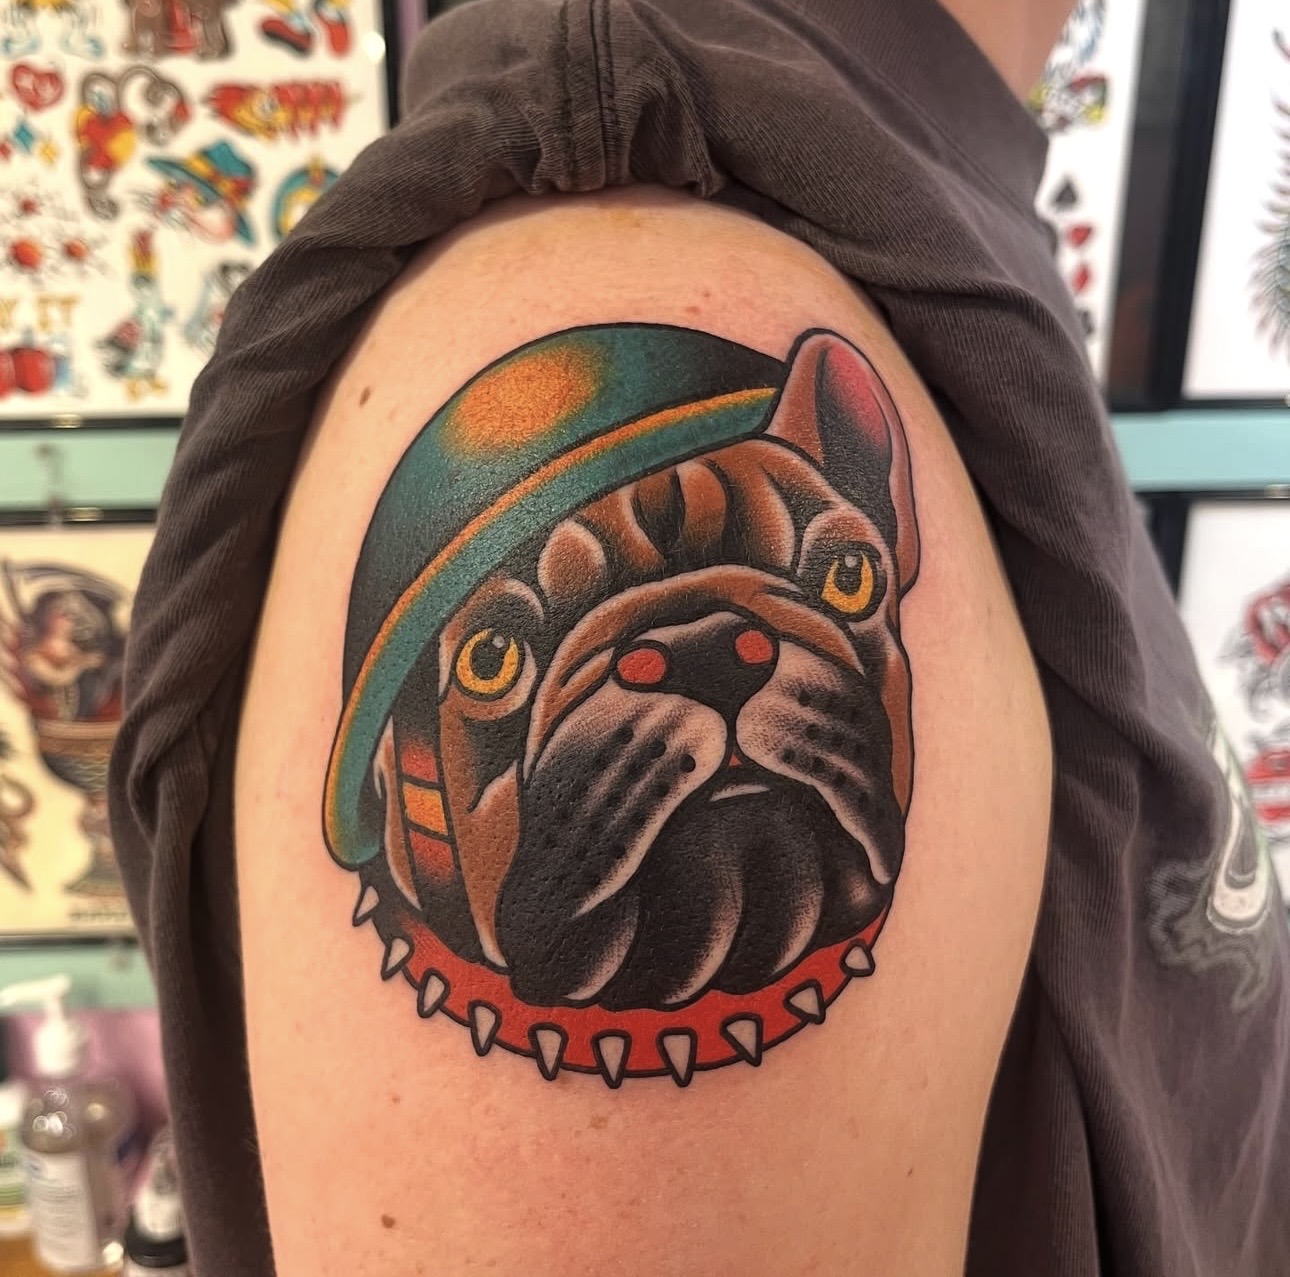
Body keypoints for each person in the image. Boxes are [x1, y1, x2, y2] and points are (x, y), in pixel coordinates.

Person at [108, 1, 1290, 1274]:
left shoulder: (903, 201)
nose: (713, 660)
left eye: (836, 575)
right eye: (500, 654)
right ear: (398, 789)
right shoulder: (626, 255)